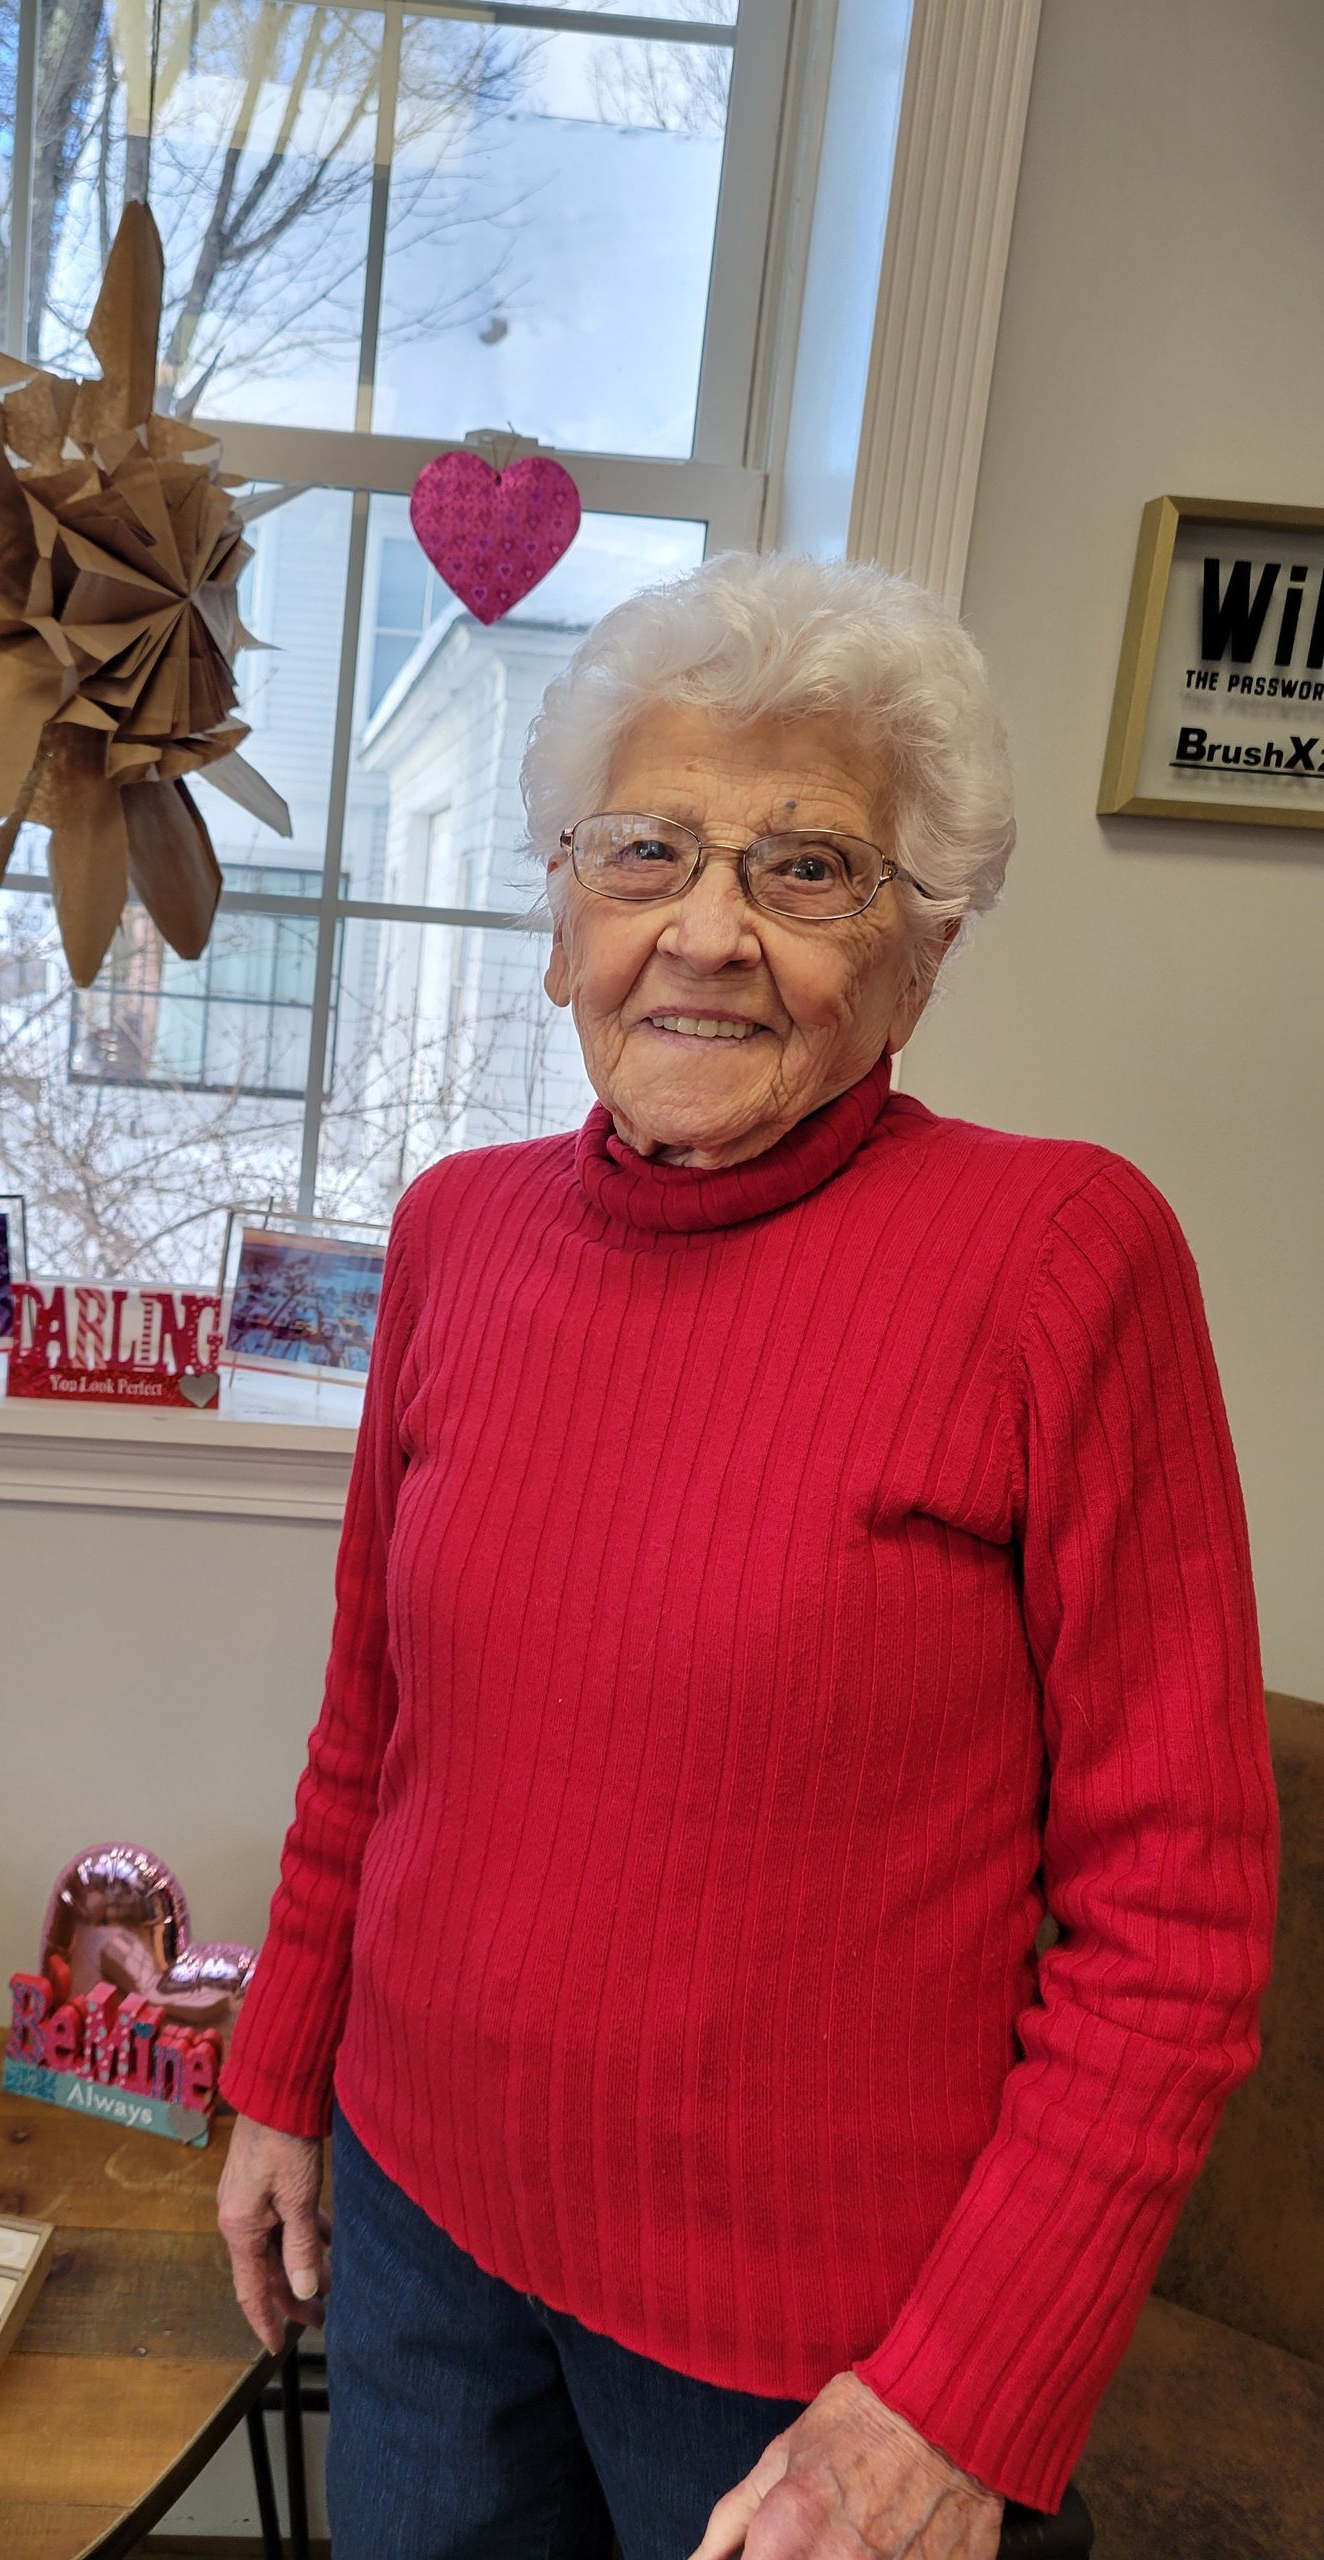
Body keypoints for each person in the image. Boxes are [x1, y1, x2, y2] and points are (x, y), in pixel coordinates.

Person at [214, 552, 1280, 2560]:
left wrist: (960, 2393)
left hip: (817, 2346)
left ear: (925, 946)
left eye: (808, 868)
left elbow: (1178, 1915)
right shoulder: (458, 1230)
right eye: (648, 853)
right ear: (561, 915)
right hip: (426, 2223)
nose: (706, 932)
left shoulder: (1062, 1258)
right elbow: (378, 1717)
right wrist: (286, 2066)